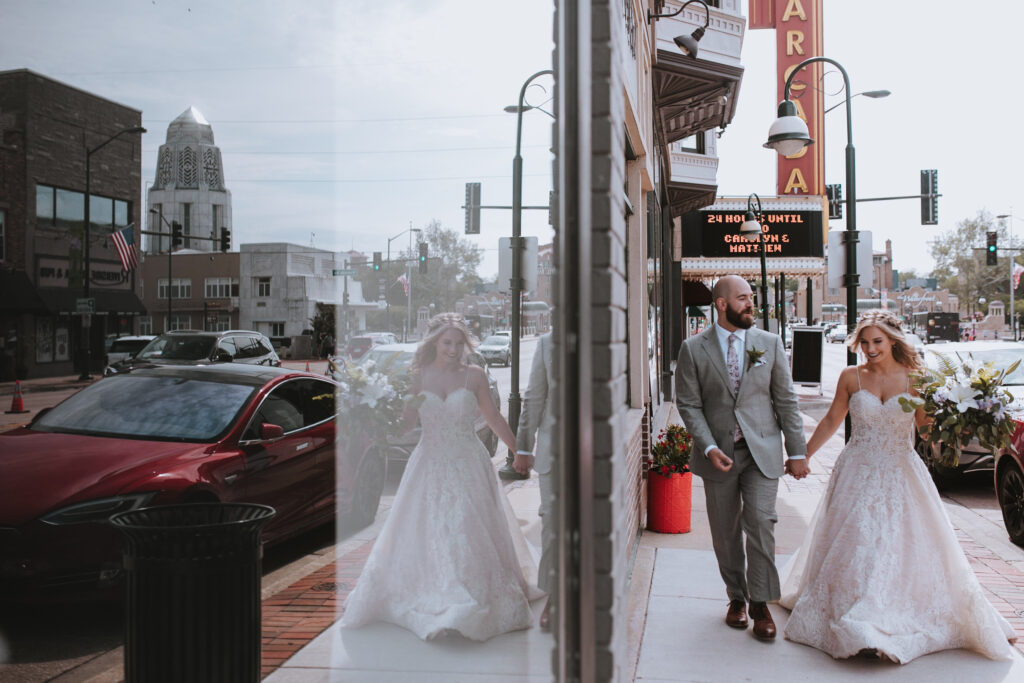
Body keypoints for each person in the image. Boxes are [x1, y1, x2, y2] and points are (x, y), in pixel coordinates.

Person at [779, 309, 1016, 663]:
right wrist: (802, 455)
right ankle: (857, 621)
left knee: (895, 546)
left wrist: (961, 428)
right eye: (865, 342)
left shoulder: (915, 380)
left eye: (877, 341)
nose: (871, 349)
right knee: (858, 542)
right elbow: (831, 419)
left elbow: (926, 431)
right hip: (857, 470)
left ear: (893, 341)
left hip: (901, 473)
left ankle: (881, 621)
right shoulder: (851, 377)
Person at [340, 312, 542, 641]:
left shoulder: (474, 375)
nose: (453, 348)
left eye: (459, 342)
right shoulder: (418, 376)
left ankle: (464, 601)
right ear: (434, 342)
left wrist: (519, 450)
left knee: (465, 527)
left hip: (468, 464)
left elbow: (493, 418)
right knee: (431, 530)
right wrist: (375, 420)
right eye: (447, 342)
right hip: (429, 463)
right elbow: (406, 424)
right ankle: (441, 600)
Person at [674, 275, 808, 641]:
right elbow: (688, 403)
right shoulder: (693, 349)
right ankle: (736, 597)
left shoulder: (769, 343)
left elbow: (786, 401)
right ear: (721, 304)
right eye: (743, 298)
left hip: (761, 451)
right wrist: (707, 445)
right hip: (718, 454)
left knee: (761, 523)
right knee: (726, 532)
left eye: (752, 297)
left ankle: (761, 603)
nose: (751, 303)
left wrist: (797, 451)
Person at [516, 330, 554, 630]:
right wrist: (524, 448)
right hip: (555, 454)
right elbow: (534, 397)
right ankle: (555, 596)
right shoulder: (546, 344)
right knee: (553, 525)